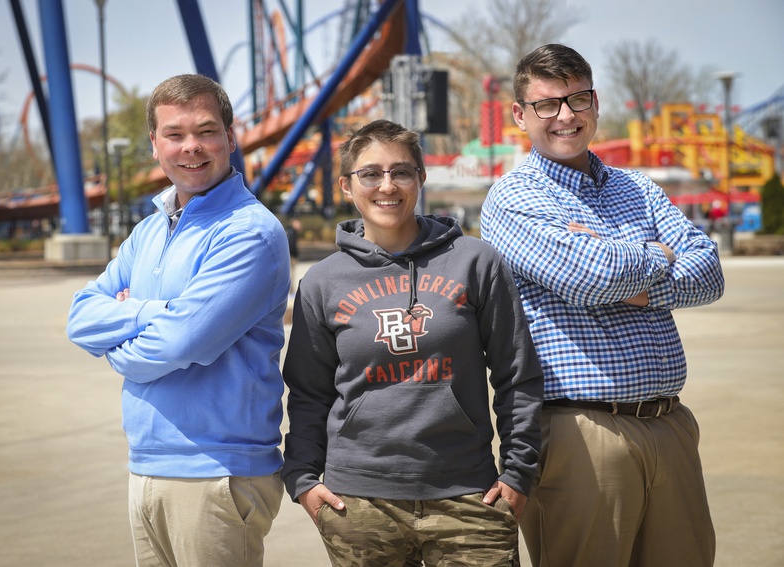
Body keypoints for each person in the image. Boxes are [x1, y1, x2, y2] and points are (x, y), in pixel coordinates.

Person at [480, 44, 725, 567]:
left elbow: (708, 272)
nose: (566, 116)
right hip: (582, 432)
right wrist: (655, 252)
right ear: (520, 116)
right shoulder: (514, 198)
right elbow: (594, 278)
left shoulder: (638, 187)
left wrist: (621, 262)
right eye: (547, 104)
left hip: (670, 423)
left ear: (596, 102)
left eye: (578, 98)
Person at [281, 119, 544, 566]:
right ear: (346, 186)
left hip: (469, 496)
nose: (388, 185)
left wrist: (519, 475)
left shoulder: (475, 262)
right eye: (371, 174)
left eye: (401, 172)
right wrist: (304, 479)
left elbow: (517, 374)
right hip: (359, 504)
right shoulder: (323, 282)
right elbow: (308, 393)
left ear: (421, 179)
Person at [66, 74, 290, 567]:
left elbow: (179, 344)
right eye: (174, 134)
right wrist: (156, 312)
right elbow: (80, 317)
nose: (191, 147)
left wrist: (125, 331)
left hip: (217, 472)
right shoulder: (147, 230)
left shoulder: (249, 233)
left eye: (206, 131)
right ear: (154, 145)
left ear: (231, 138)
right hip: (146, 465)